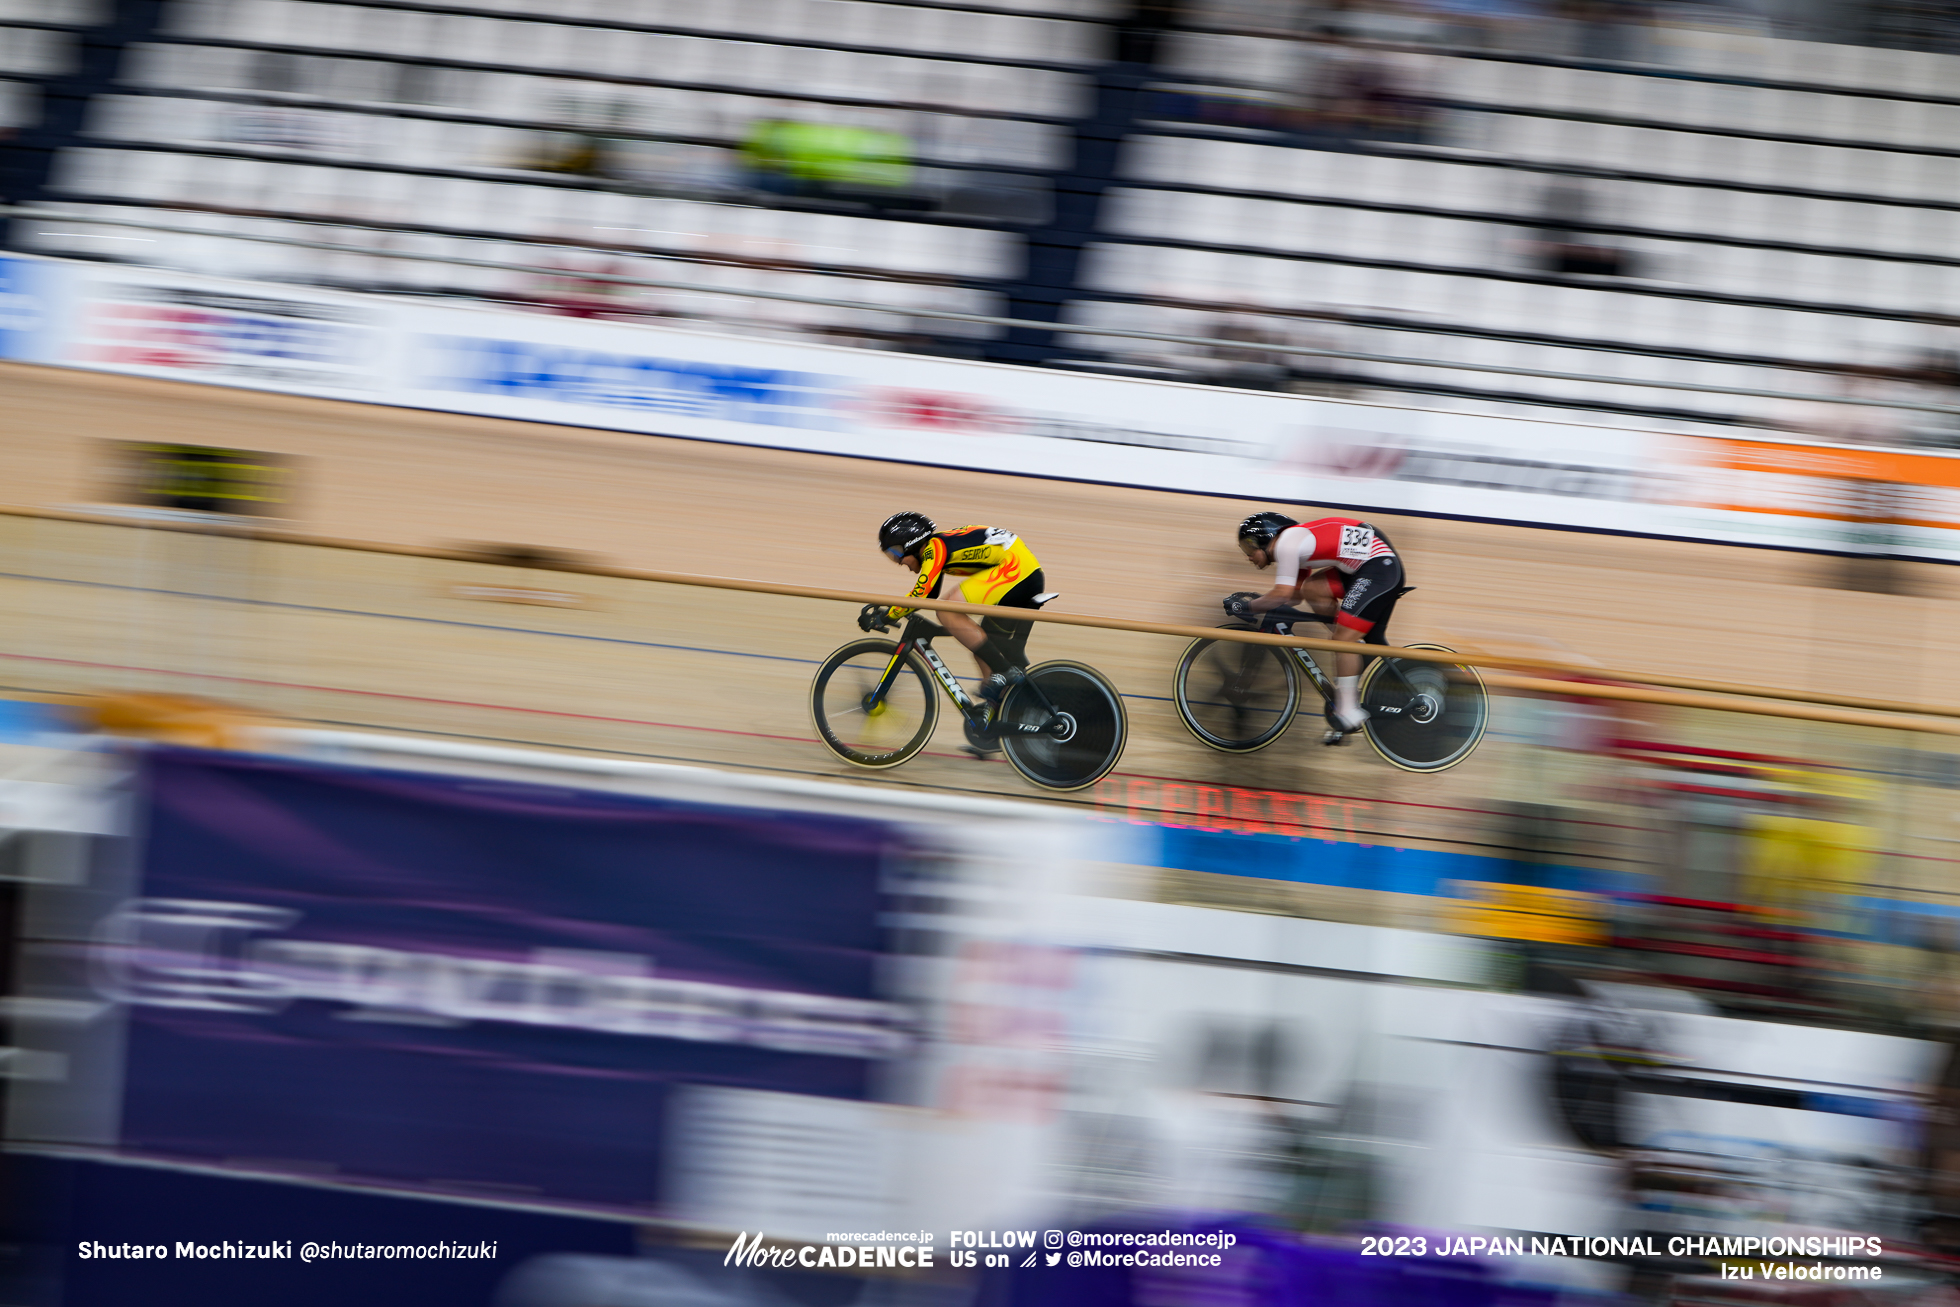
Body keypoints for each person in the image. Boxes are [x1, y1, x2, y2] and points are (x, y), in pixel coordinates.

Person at [1225, 511, 1406, 743]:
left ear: (1265, 538)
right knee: (1314, 589)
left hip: (1379, 568)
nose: (1248, 556)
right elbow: (1294, 597)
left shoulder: (1286, 544)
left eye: (1249, 548)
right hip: (1362, 567)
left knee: (1343, 641)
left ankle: (1349, 709)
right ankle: (1352, 647)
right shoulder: (1295, 545)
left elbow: (1282, 593)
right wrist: (1259, 603)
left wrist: (1248, 607)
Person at [866, 512, 1047, 712]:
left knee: (947, 611)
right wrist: (894, 612)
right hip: (1024, 572)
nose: (899, 562)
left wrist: (886, 616)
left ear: (912, 544)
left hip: (1016, 570)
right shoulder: (938, 548)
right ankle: (993, 722)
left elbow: (921, 594)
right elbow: (928, 595)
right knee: (984, 649)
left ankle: (1005, 671)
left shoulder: (934, 549)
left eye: (897, 553)